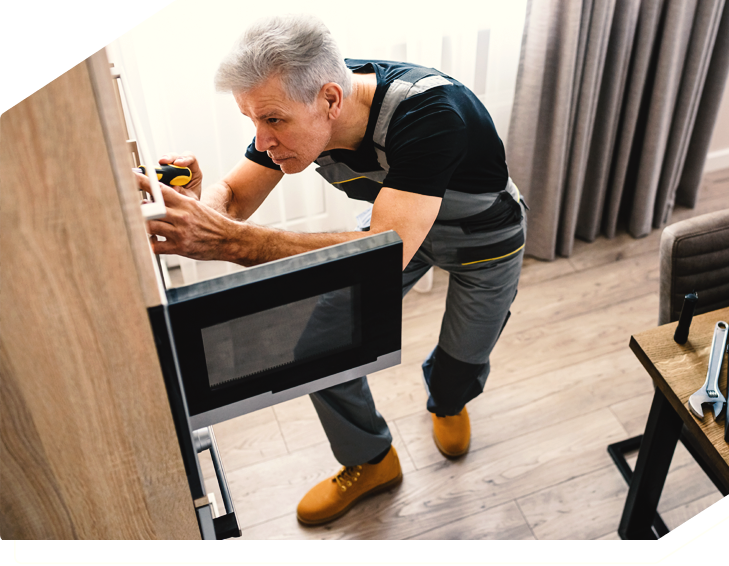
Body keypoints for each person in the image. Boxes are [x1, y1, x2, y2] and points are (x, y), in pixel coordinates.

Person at [140, 13, 527, 526]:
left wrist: (233, 241)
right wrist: (196, 205)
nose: (262, 139)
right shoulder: (289, 107)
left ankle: (449, 401)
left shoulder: (433, 112)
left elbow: (385, 255)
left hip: (481, 239)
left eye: (273, 121)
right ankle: (371, 460)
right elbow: (231, 197)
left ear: (330, 100)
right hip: (396, 225)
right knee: (319, 347)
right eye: (252, 120)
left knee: (463, 361)